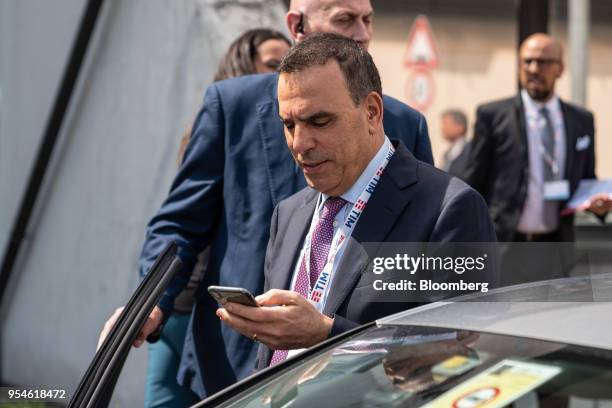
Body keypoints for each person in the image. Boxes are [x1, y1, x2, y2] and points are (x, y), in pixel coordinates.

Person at [100, 0, 434, 399]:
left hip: (352, 378)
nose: (362, 33)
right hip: (233, 366)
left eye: (368, 20)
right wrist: (149, 302)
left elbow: (420, 256)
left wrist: (352, 336)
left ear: (373, 114)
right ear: (297, 25)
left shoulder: (405, 124)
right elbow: (179, 224)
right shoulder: (231, 106)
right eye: (345, 19)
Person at [216, 33, 496, 369]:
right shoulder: (287, 214)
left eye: (319, 121)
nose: (299, 143)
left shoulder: (450, 210)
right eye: (288, 125)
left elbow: (454, 353)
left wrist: (326, 334)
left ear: (373, 112)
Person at [144, 28, 291, 408]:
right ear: (244, 66)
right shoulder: (225, 118)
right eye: (273, 64)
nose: (283, 73)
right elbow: (184, 218)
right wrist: (154, 299)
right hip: (187, 304)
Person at [463, 33, 611, 243]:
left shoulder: (582, 120)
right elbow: (473, 179)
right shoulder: (493, 115)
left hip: (557, 247)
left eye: (542, 62)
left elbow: (586, 179)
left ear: (560, 68)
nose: (533, 69)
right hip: (504, 244)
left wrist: (598, 204)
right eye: (527, 61)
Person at [440, 109, 470, 178]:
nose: (443, 128)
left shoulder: (469, 151)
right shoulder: (448, 153)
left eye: (446, 124)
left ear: (459, 127)